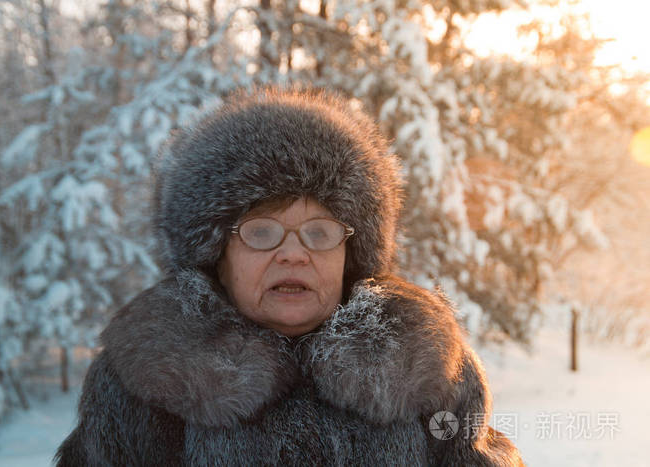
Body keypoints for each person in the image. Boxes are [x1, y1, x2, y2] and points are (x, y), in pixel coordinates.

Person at [55, 87, 524, 466]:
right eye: (262, 232)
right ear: (217, 253)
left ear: (351, 252)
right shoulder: (151, 368)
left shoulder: (422, 358)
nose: (294, 255)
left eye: (319, 232)